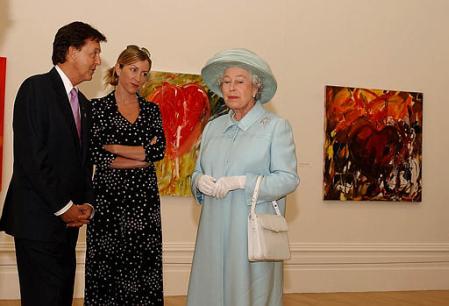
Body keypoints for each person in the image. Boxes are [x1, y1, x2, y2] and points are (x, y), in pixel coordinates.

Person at [0, 21, 106, 305]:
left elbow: (85, 163)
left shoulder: (83, 103)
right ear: (72, 51)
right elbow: (32, 157)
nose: (98, 61)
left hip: (67, 227)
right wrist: (64, 207)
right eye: (93, 52)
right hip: (37, 223)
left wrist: (86, 203)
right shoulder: (35, 88)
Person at [187, 48, 300, 306]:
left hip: (250, 235)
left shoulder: (275, 127)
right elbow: (197, 171)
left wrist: (242, 182)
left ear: (255, 88)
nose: (231, 88)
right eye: (226, 82)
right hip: (212, 231)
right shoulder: (214, 127)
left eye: (239, 81)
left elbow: (288, 179)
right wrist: (198, 181)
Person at [84, 45, 166, 305]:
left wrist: (116, 149)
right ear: (118, 68)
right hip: (108, 201)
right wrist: (141, 155)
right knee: (106, 264)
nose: (138, 78)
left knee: (144, 265)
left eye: (144, 73)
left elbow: (159, 151)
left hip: (144, 202)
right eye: (133, 69)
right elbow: (95, 155)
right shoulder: (96, 108)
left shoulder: (152, 111)